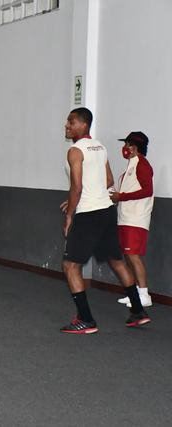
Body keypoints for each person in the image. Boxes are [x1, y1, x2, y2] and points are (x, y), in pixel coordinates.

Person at [59, 108, 151, 334]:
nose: (67, 125)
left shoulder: (75, 151)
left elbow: (77, 187)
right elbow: (108, 180)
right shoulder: (100, 147)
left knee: (70, 265)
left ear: (83, 124)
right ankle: (138, 312)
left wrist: (70, 215)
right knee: (117, 261)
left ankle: (86, 320)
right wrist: (87, 195)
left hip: (88, 214)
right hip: (107, 212)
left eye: (71, 122)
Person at [111, 132, 154, 308]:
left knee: (133, 256)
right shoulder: (131, 165)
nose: (125, 148)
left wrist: (121, 196)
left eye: (127, 144)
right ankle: (135, 294)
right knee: (128, 256)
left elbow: (147, 191)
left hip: (136, 219)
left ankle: (144, 295)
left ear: (135, 146)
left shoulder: (142, 165)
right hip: (125, 218)